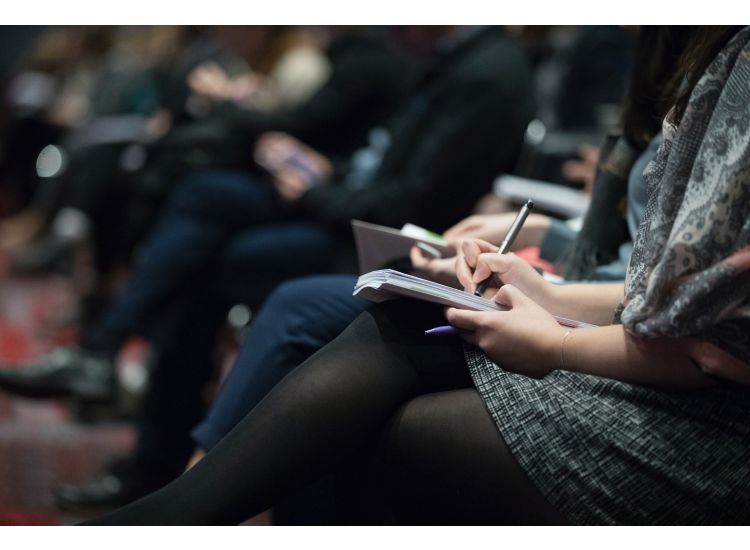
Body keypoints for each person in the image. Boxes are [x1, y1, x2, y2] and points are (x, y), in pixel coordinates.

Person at [85, 26, 750, 525]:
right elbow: (662, 287)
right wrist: (547, 289)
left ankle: (169, 505)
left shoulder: (487, 68)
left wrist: (559, 337)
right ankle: (171, 500)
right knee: (363, 306)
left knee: (353, 395)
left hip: (708, 428)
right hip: (638, 344)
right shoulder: (695, 59)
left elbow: (713, 340)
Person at [0, 26, 536, 508]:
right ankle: (156, 450)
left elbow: (408, 202)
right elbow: (380, 160)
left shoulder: (476, 70)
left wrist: (316, 188)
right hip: (348, 211)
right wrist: (327, 172)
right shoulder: (440, 54)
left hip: (393, 244)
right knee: (200, 198)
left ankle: (172, 474)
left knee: (215, 265)